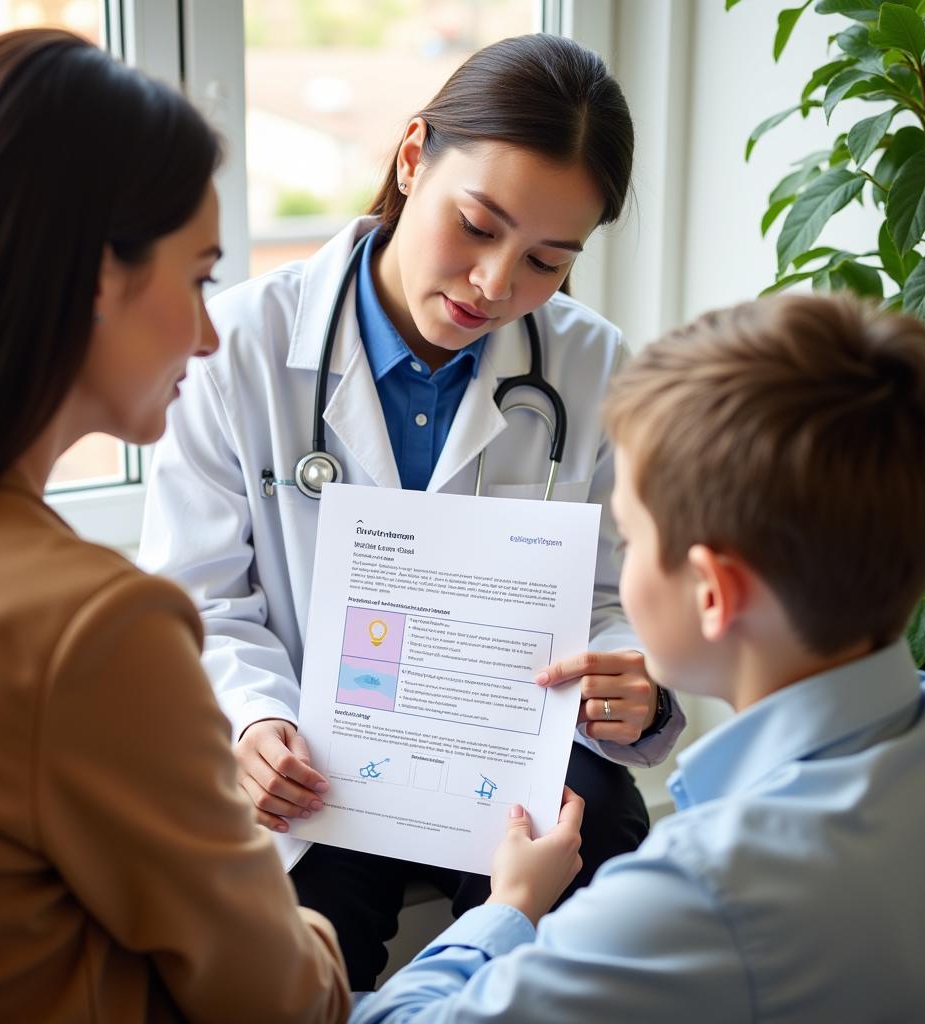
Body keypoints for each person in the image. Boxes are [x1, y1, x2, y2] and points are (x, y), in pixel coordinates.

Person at [139, 32, 686, 991]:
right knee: (282, 966)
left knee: (603, 892)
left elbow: (620, 593)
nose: (495, 286)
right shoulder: (237, 348)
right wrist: (251, 726)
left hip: (508, 759)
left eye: (547, 263)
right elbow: (199, 600)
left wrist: (636, 683)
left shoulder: (595, 368)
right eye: (477, 226)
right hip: (316, 765)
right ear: (410, 156)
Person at [0, 29, 350, 1022]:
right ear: (102, 276)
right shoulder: (88, 626)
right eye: (197, 277)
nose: (206, 333)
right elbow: (276, 998)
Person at [348, 291, 925, 1022]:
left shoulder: (694, 898)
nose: (620, 569)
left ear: (713, 593)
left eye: (629, 538)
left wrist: (511, 906)